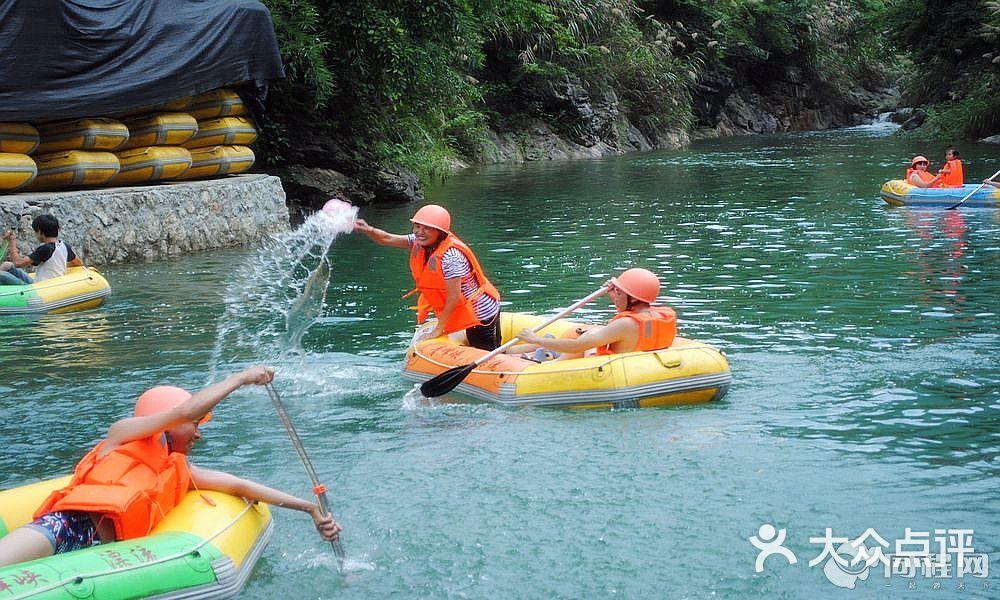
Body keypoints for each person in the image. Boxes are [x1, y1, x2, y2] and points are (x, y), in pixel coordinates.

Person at [0, 366, 341, 568]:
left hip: (103, 555)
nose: (198, 433)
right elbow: (185, 412)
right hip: (66, 526)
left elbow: (239, 486)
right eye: (197, 425)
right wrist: (240, 378)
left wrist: (309, 508)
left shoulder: (180, 471)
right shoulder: (122, 434)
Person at [353, 204, 502, 350]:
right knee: (492, 349)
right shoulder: (419, 241)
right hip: (470, 309)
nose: (420, 232)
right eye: (417, 226)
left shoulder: (451, 257)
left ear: (439, 232)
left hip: (481, 313)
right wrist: (368, 229)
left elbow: (454, 298)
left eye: (427, 228)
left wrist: (438, 329)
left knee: (487, 354)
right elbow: (386, 239)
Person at [507, 268, 677, 360]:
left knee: (588, 337)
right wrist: (617, 297)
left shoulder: (625, 324)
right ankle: (523, 349)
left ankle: (529, 351)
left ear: (631, 297)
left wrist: (534, 338)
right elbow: (633, 326)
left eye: (619, 292)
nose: (616, 294)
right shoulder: (658, 316)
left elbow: (577, 347)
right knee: (590, 334)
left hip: (601, 370)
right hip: (637, 369)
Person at [0, 214, 83, 286]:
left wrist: (12, 241)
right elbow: (78, 263)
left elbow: (18, 263)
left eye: (36, 232)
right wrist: (59, 266)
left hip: (39, 289)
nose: (35, 235)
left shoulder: (45, 248)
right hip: (45, 285)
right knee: (7, 265)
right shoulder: (64, 245)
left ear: (40, 232)